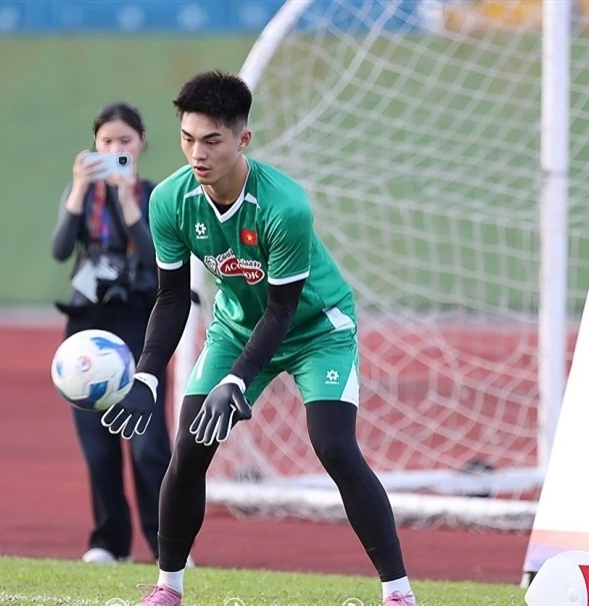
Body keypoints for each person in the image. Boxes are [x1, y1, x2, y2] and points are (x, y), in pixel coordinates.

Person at [101, 71, 418, 606]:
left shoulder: (284, 207)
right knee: (190, 448)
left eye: (211, 140)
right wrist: (147, 375)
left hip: (317, 327)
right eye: (187, 138)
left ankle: (399, 594)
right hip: (236, 325)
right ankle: (168, 589)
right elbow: (173, 298)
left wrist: (236, 381)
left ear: (242, 140)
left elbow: (283, 308)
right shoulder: (170, 201)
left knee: (334, 446)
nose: (196, 153)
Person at [50, 101, 173, 565]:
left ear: (141, 143)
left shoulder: (155, 195)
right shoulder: (81, 194)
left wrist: (127, 202)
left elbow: (153, 257)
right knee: (97, 445)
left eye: (125, 140)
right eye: (106, 142)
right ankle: (108, 542)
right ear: (94, 146)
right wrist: (80, 190)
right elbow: (61, 250)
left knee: (148, 446)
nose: (116, 149)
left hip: (140, 322)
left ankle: (168, 546)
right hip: (88, 325)